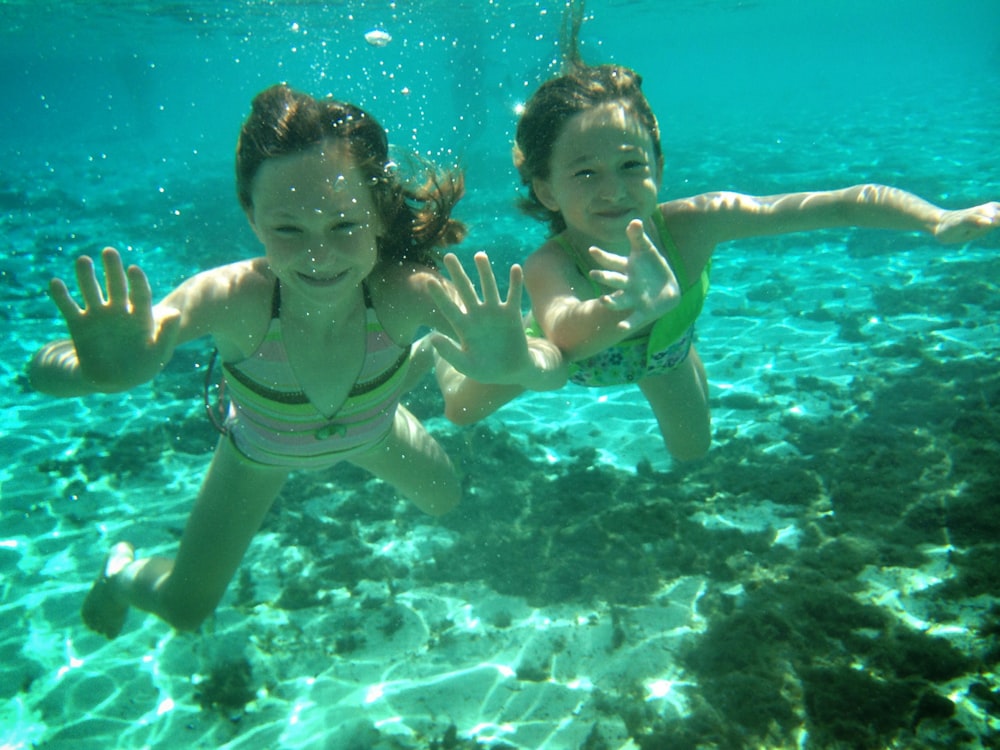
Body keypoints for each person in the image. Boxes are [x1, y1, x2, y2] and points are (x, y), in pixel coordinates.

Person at [28, 84, 565, 639]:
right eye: (288, 229)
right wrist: (93, 371)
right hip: (258, 452)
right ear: (251, 216)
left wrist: (521, 361)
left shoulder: (406, 292)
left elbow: (556, 366)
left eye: (344, 226)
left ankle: (420, 358)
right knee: (185, 610)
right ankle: (119, 574)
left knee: (446, 500)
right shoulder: (230, 298)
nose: (320, 254)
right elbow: (39, 370)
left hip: (374, 431)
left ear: (380, 216)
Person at [497, 17, 999, 462]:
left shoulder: (696, 224)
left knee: (692, 453)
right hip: (561, 362)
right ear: (546, 190)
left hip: (667, 353)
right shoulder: (551, 266)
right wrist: (633, 305)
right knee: (461, 406)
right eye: (585, 173)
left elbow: (844, 202)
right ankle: (452, 348)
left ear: (660, 167)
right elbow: (564, 335)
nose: (613, 189)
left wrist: (936, 219)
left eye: (631, 165)